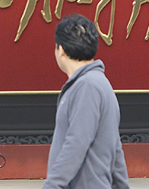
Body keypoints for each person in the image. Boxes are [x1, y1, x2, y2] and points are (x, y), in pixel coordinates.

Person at [42, 14, 130, 189]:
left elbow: (76, 143)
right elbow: (115, 147)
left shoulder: (86, 86)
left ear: (61, 50)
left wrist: (52, 186)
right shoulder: (99, 83)